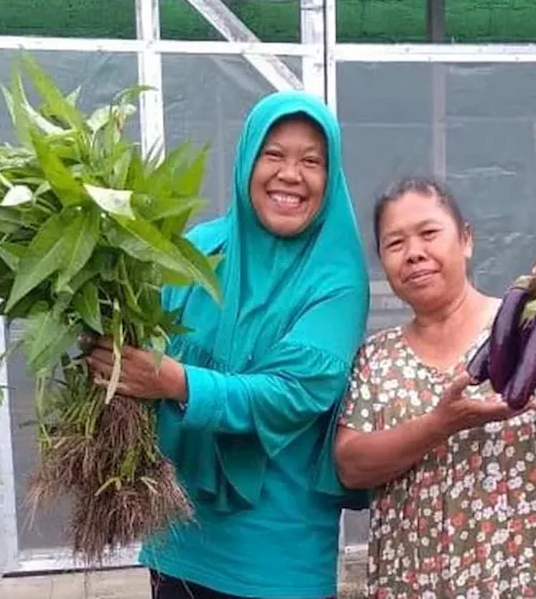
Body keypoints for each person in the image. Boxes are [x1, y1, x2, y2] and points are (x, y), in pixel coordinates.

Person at [83, 90, 371, 599]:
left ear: (331, 178)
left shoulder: (337, 279)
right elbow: (146, 341)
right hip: (178, 533)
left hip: (277, 555)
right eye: (273, 154)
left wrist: (175, 381)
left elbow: (293, 392)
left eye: (311, 161)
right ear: (247, 160)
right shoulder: (197, 250)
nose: (290, 174)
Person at [334, 175, 536, 598]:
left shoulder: (529, 331)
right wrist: (440, 425)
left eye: (428, 233)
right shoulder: (375, 358)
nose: (415, 253)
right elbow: (351, 465)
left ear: (466, 240)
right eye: (395, 243)